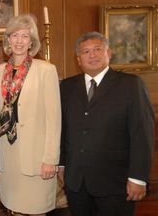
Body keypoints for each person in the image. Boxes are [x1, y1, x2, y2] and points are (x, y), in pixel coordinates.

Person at [59, 31, 155, 216]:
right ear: (78, 59)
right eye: (86, 52)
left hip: (116, 182)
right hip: (76, 182)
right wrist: (62, 165)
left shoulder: (131, 85)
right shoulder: (67, 87)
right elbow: (63, 129)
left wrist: (138, 178)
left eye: (97, 49)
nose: (92, 55)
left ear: (109, 53)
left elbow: (142, 134)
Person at [0, 14, 61, 215]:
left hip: (37, 160)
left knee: (36, 210)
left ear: (32, 42)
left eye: (25, 36)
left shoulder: (46, 70)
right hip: (8, 159)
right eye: (15, 35)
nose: (19, 41)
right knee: (13, 210)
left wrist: (51, 159)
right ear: (8, 39)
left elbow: (54, 119)